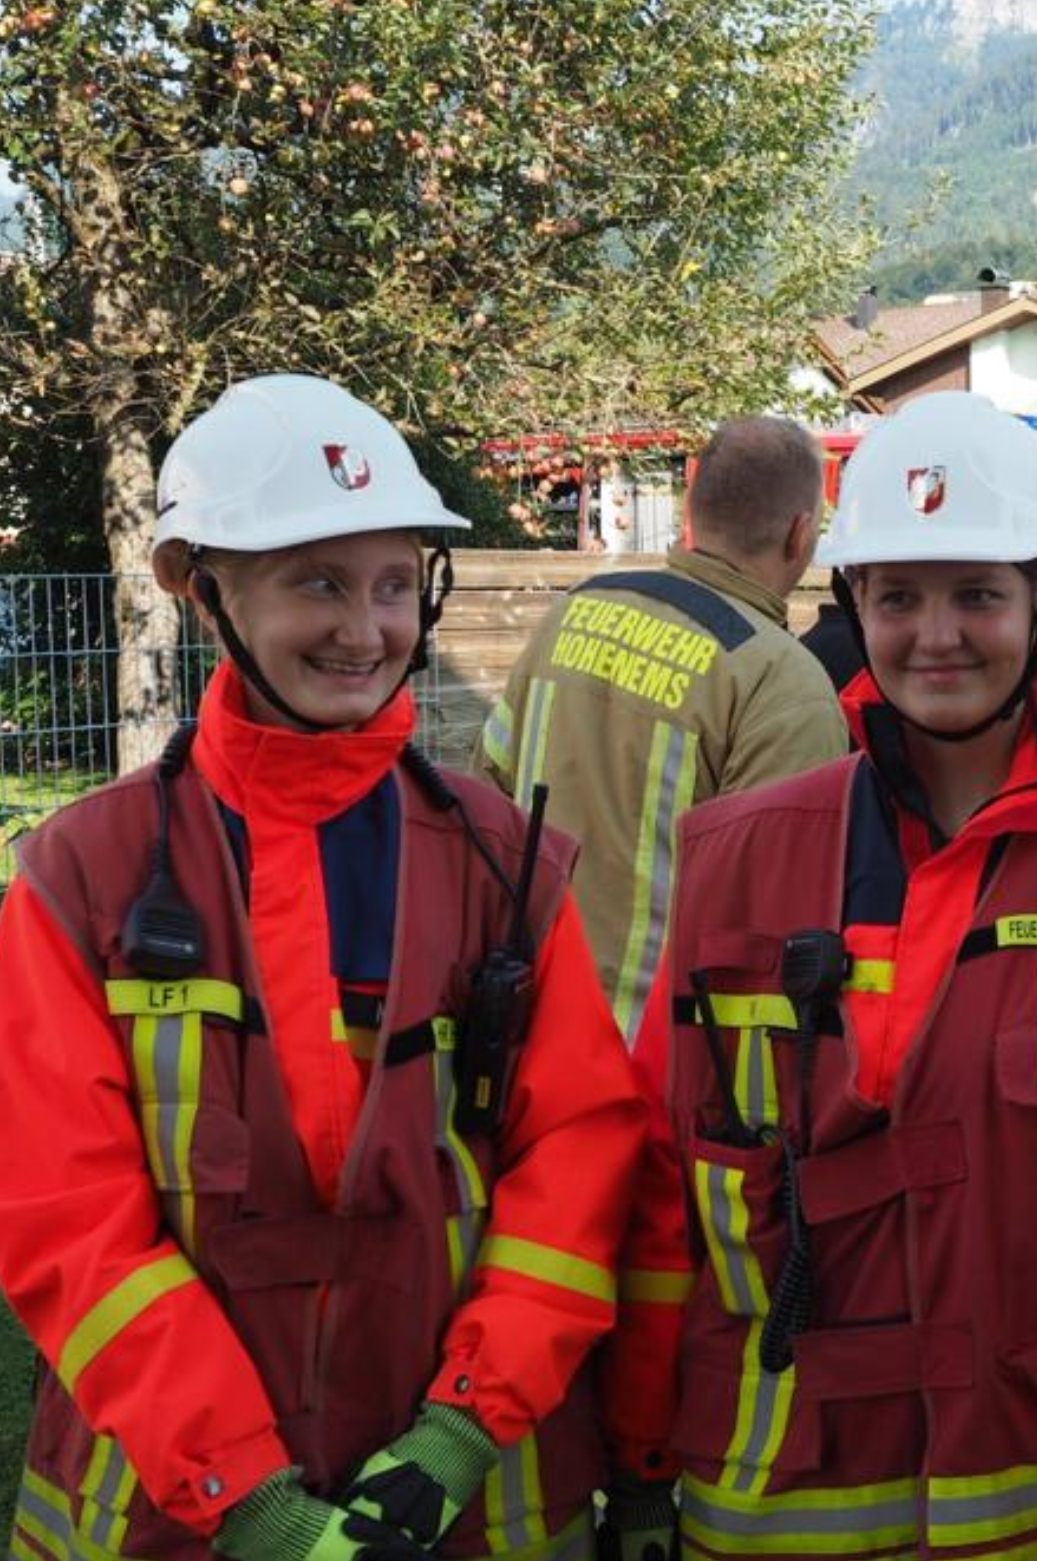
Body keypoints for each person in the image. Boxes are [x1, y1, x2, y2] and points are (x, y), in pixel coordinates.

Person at [596, 391, 1037, 1560]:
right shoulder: (735, 860)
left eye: (976, 594)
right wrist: (637, 1458)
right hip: (772, 1508)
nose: (935, 635)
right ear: (852, 602)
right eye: (898, 596)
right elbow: (665, 1196)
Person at [0, 375, 644, 1561]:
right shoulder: (78, 877)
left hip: (465, 1504)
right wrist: (243, 1493)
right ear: (202, 591)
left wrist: (461, 1431)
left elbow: (578, 1168)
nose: (366, 629)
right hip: (170, 1517)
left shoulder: (507, 868)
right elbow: (65, 1218)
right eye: (317, 582)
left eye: (394, 584)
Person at [476, 416, 847, 1044]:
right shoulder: (783, 684)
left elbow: (487, 794)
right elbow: (778, 919)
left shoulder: (570, 615)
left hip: (522, 1029)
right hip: (665, 1067)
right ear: (800, 533)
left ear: (693, 513)